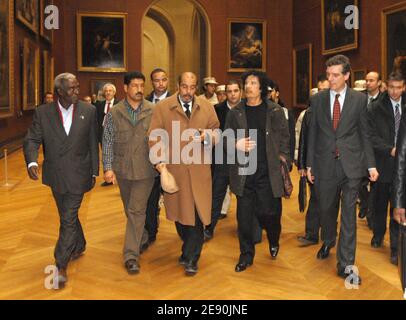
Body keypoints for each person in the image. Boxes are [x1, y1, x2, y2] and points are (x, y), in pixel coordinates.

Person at [306, 55, 378, 284]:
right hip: (324, 165)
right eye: (328, 74)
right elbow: (313, 134)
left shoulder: (359, 100)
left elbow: (364, 133)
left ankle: (346, 265)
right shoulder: (318, 100)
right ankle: (328, 238)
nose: (331, 79)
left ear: (347, 75)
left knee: (348, 215)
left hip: (351, 166)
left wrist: (371, 164)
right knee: (326, 210)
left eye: (336, 75)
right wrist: (308, 164)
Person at [23, 73, 99, 289]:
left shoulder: (89, 110)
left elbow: (93, 142)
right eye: (72, 89)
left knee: (67, 217)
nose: (77, 91)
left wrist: (94, 171)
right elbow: (32, 139)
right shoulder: (43, 112)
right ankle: (80, 243)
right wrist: (31, 162)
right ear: (59, 92)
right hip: (56, 174)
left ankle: (60, 264)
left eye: (77, 87)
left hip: (79, 172)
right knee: (67, 213)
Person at [148, 72, 220, 276]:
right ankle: (187, 248)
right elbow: (154, 137)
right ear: (178, 86)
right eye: (184, 87)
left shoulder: (206, 106)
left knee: (197, 215)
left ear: (197, 87)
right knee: (180, 216)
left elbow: (217, 131)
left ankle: (191, 257)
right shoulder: (163, 107)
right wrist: (160, 163)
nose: (188, 92)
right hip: (175, 172)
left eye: (192, 87)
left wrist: (208, 136)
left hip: (199, 172)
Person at [225, 71, 290, 272]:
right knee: (243, 219)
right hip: (244, 173)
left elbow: (285, 139)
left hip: (268, 174)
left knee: (269, 213)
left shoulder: (275, 111)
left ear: (261, 88)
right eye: (247, 83)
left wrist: (283, 158)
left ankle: (273, 238)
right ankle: (246, 255)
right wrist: (236, 143)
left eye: (253, 83)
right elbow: (225, 138)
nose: (249, 86)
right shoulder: (235, 112)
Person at [102, 71, 156, 275]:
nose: (139, 89)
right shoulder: (114, 113)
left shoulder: (153, 110)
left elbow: (162, 137)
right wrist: (107, 168)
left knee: (136, 211)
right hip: (122, 169)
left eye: (142, 85)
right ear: (125, 88)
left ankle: (130, 255)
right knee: (130, 210)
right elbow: (107, 141)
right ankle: (141, 237)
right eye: (134, 85)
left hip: (146, 170)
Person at [369, 72, 405, 265]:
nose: (394, 91)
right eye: (391, 87)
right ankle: (378, 233)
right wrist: (389, 149)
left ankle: (395, 248)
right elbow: (371, 136)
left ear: (404, 87)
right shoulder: (376, 108)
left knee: (398, 205)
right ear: (386, 85)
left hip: (402, 166)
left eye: (399, 87)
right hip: (383, 163)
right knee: (380, 203)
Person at [204, 80, 242, 241]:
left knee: (243, 197)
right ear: (225, 93)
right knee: (216, 195)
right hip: (220, 159)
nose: (232, 94)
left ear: (240, 92)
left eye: (235, 91)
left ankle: (244, 228)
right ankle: (208, 228)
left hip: (242, 160)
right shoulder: (216, 109)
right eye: (229, 91)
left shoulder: (247, 108)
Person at [297, 75, 330, 246]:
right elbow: (303, 139)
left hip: (332, 164)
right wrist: (302, 165)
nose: (322, 93)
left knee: (329, 200)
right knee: (315, 198)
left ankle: (328, 233)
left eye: (325, 89)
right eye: (320, 90)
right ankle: (311, 234)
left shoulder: (338, 111)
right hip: (313, 164)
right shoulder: (309, 113)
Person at [143, 68, 172, 248]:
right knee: (150, 200)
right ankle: (150, 233)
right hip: (152, 160)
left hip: (175, 158)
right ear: (152, 82)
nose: (160, 83)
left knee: (176, 198)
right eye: (156, 80)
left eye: (163, 80)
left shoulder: (177, 101)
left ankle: (185, 233)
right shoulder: (144, 102)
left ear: (167, 81)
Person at [95, 83, 119, 186]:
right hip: (102, 134)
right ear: (104, 93)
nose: (108, 92)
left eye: (110, 90)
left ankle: (118, 176)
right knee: (105, 154)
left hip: (116, 134)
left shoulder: (119, 104)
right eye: (106, 91)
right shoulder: (98, 105)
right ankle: (108, 178)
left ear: (114, 92)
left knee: (116, 155)